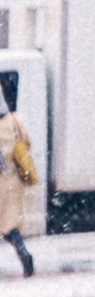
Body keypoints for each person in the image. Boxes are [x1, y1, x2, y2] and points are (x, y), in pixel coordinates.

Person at [0, 91, 36, 278]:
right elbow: (27, 142)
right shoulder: (14, 120)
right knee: (10, 226)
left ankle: (23, 253)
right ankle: (23, 252)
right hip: (12, 181)